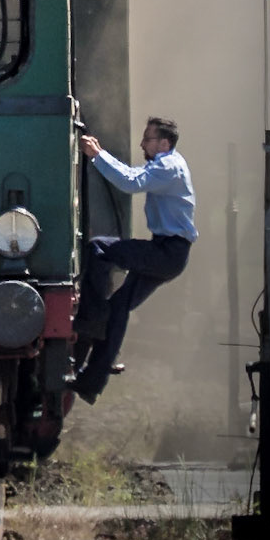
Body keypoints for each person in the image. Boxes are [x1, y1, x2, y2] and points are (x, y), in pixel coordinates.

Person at [72, 116, 197, 405]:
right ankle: (92, 381)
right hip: (169, 253)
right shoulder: (166, 164)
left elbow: (130, 181)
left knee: (98, 248)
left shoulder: (168, 166)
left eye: (148, 139)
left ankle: (91, 319)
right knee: (119, 307)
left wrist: (97, 155)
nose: (142, 143)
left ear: (164, 143)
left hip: (168, 252)